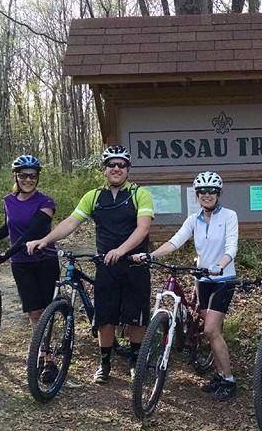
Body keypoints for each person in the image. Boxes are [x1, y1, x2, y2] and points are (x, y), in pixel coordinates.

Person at [26, 145, 154, 383]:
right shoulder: (93, 196)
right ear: (104, 169)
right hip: (106, 265)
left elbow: (143, 228)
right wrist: (45, 240)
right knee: (104, 316)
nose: (116, 169)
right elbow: (71, 222)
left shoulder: (139, 194)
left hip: (135, 264)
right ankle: (104, 363)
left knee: (136, 316)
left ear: (128, 170)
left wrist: (122, 250)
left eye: (121, 165)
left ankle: (135, 362)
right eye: (111, 165)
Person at [134, 171, 240, 401]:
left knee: (211, 329)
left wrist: (220, 266)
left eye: (212, 191)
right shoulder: (194, 219)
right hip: (202, 279)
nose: (207, 195)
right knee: (210, 331)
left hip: (222, 279)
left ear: (218, 193)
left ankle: (230, 379)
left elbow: (231, 247)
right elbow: (175, 241)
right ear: (197, 195)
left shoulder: (229, 216)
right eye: (202, 191)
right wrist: (150, 255)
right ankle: (219, 374)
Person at [0, 155, 58, 329]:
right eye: (23, 175)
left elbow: (30, 233)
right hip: (21, 263)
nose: (28, 179)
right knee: (33, 311)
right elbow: (8, 226)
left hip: (45, 260)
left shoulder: (46, 202)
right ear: (16, 176)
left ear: (38, 178)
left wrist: (4, 255)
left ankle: (50, 344)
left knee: (48, 309)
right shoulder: (8, 200)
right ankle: (40, 349)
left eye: (33, 176)